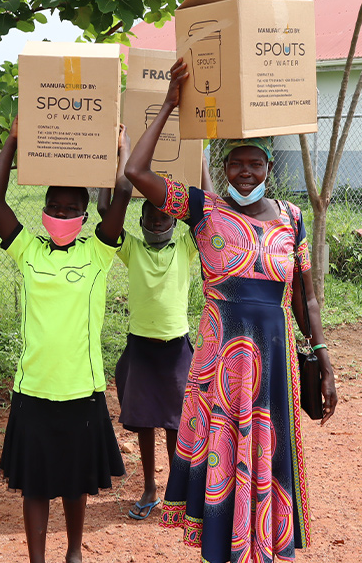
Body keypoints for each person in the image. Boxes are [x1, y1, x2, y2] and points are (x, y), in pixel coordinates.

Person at [124, 59, 337, 563]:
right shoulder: (203, 210)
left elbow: (305, 297)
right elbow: (136, 171)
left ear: (268, 167)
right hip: (220, 364)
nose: (246, 172)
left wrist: (324, 360)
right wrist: (171, 107)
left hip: (275, 361)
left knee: (266, 448)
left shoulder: (292, 217)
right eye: (237, 164)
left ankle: (260, 541)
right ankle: (224, 545)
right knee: (224, 453)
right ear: (225, 169)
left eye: (255, 164)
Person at [0, 117, 131, 563]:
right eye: (55, 208)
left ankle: (73, 554)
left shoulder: (98, 251)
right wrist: (12, 138)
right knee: (35, 482)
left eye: (71, 210)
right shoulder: (27, 249)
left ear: (85, 216)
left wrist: (120, 148)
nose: (62, 216)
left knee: (75, 479)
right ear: (44, 210)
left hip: (81, 388)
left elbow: (122, 193)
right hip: (33, 387)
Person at [96, 160, 212, 521]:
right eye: (151, 217)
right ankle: (149, 488)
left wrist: (201, 159)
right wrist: (109, 164)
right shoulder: (132, 250)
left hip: (176, 350)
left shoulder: (185, 249)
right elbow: (104, 209)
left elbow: (210, 210)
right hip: (142, 350)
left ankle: (177, 491)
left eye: (164, 218)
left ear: (175, 222)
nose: (157, 222)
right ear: (141, 221)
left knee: (177, 425)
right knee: (144, 422)